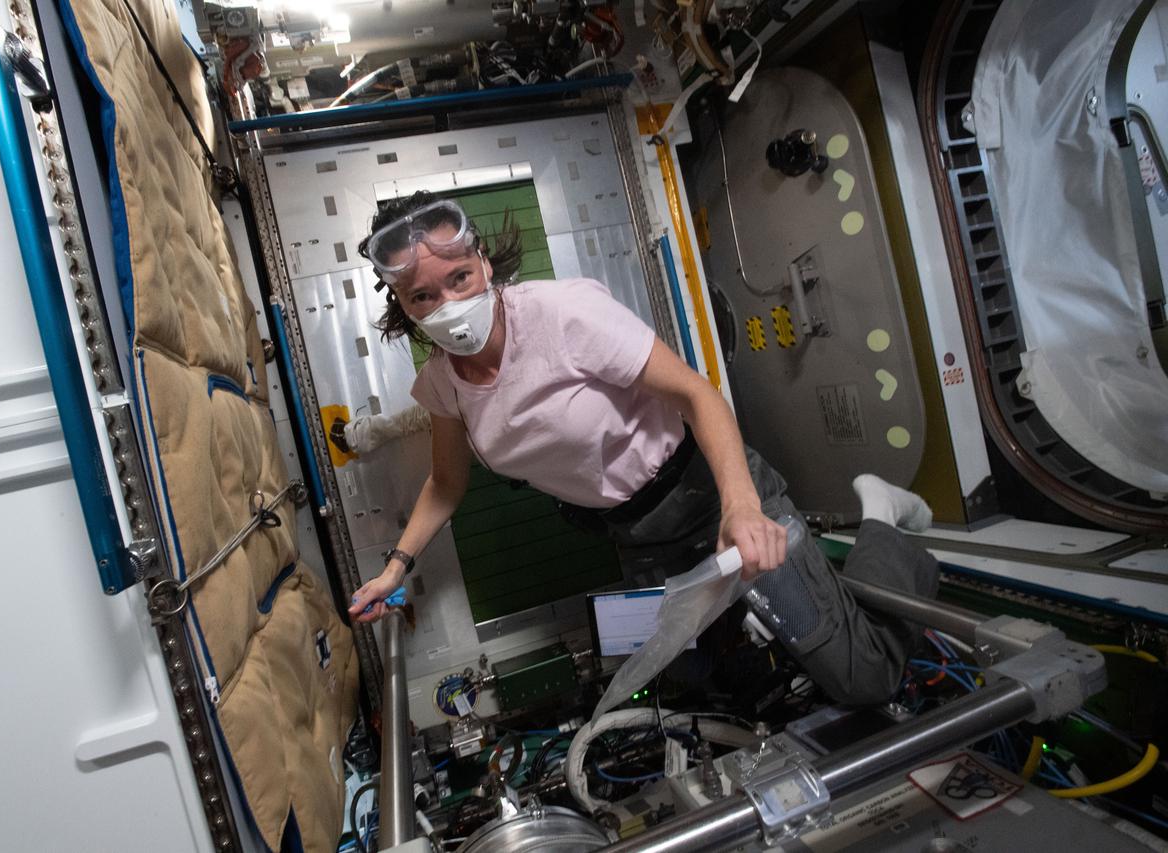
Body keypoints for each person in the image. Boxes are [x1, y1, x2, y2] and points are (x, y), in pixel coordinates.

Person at [345, 191, 938, 704]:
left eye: (458, 279)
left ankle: (884, 519)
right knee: (694, 684)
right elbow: (446, 484)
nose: (448, 306)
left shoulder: (562, 314)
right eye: (423, 297)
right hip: (633, 534)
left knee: (863, 675)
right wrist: (394, 567)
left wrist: (742, 506)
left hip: (707, 494)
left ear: (482, 263)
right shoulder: (441, 384)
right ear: (402, 306)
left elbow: (696, 394)